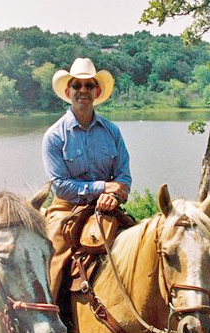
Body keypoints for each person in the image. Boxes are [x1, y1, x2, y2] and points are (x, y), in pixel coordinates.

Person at [42, 57, 132, 306]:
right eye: (77, 86)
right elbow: (60, 185)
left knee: (141, 245)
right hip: (66, 209)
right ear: (68, 91)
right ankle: (50, 318)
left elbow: (123, 176)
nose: (83, 91)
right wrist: (102, 187)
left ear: (97, 91)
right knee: (57, 254)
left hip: (106, 207)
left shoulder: (112, 131)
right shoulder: (54, 136)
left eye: (89, 85)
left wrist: (113, 196)